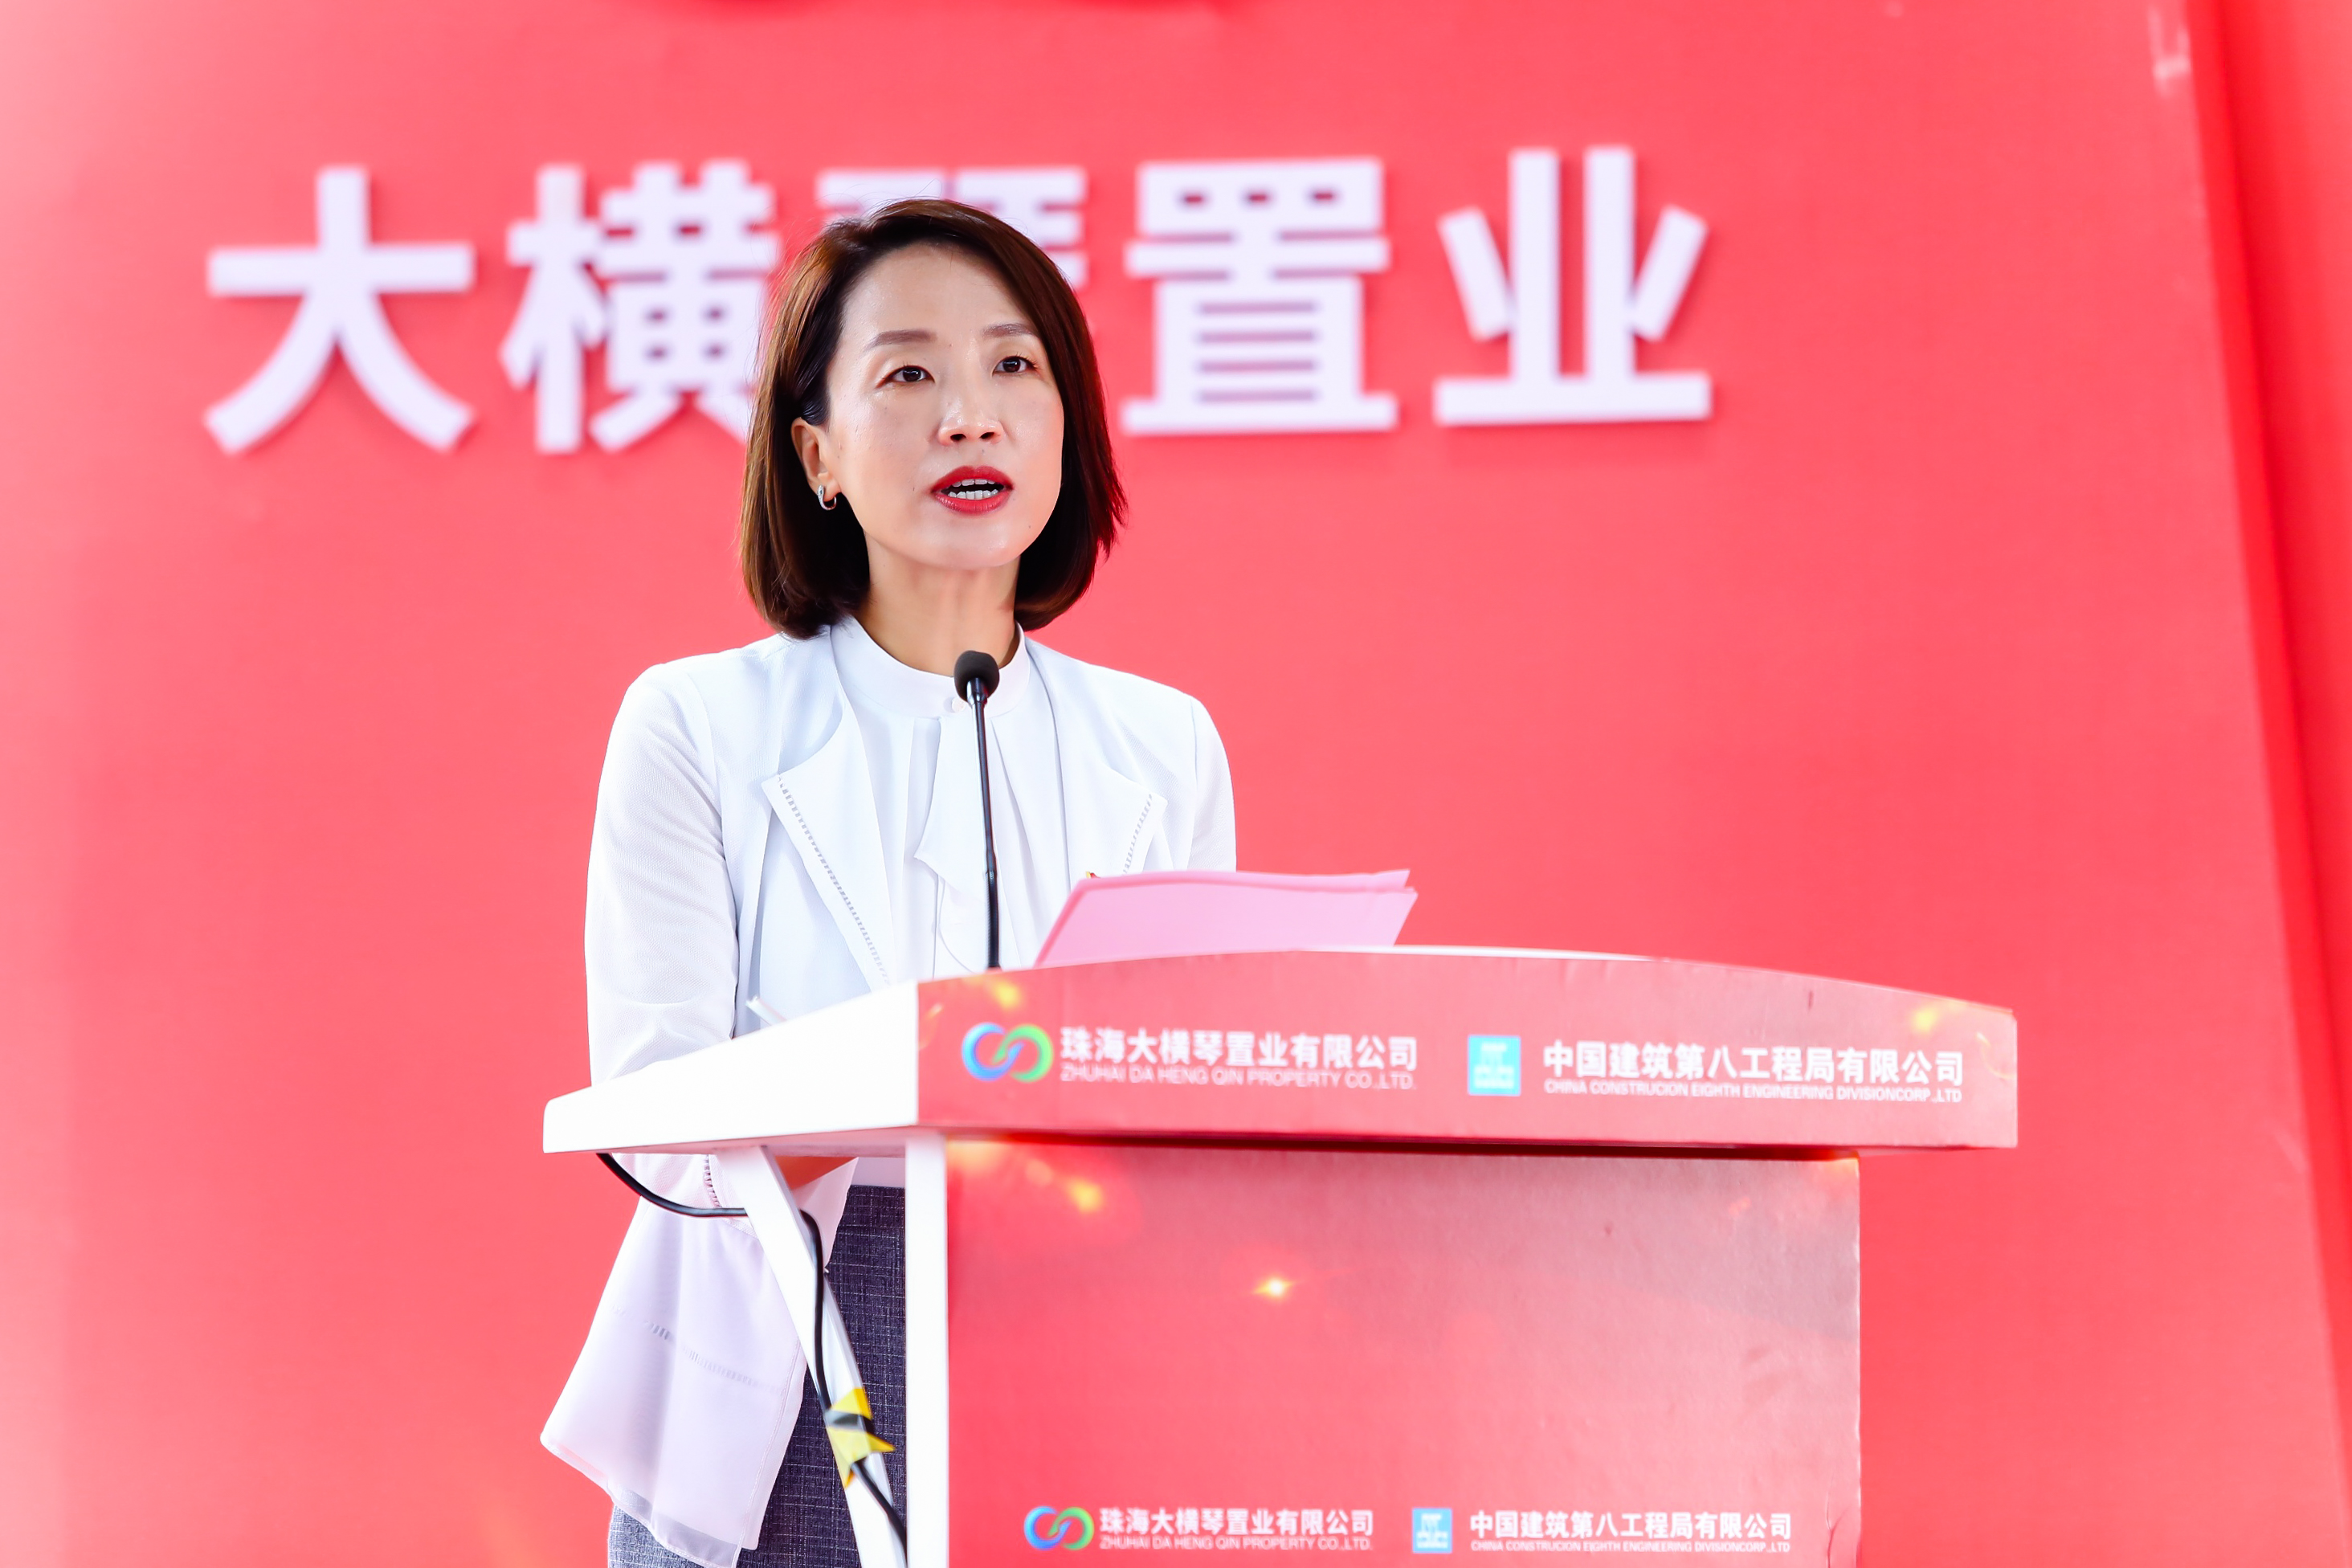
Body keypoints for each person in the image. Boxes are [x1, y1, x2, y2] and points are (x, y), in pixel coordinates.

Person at [541, 201, 1238, 1568]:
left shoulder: (1164, 746)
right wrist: (914, 1092)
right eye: (909, 373)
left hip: (1078, 1345)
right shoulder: (699, 724)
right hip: (787, 1347)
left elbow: (1201, 1095)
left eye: (1014, 366)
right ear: (817, 453)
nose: (970, 416)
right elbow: (654, 1108)